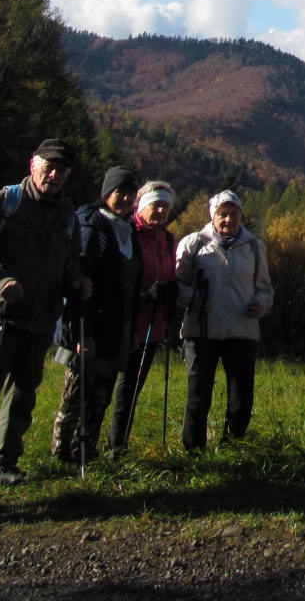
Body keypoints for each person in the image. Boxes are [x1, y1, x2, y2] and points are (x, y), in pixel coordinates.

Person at [0, 138, 89, 495]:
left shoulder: (66, 216)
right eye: (48, 166)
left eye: (60, 170)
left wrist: (77, 281)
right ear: (32, 165)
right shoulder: (4, 202)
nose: (53, 175)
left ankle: (3, 462)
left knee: (23, 394)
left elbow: (69, 262)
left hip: (40, 318)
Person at [50, 167, 139, 465]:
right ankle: (61, 454)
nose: (125, 198)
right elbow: (80, 279)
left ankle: (85, 450)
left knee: (100, 395)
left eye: (130, 193)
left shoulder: (127, 231)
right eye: (119, 192)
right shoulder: (92, 227)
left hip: (115, 326)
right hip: (91, 325)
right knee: (76, 394)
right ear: (106, 194)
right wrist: (79, 331)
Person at [175, 191, 272, 451]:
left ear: (241, 215)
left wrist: (260, 304)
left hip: (242, 331)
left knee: (241, 397)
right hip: (201, 330)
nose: (228, 219)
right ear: (213, 215)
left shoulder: (254, 247)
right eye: (222, 214)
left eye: (234, 214)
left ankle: (232, 447)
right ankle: (193, 450)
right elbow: (178, 286)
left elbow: (265, 289)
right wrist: (194, 299)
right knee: (198, 395)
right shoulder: (193, 243)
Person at [109, 180, 178, 455]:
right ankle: (88, 444)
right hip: (125, 321)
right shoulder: (128, 233)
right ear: (141, 205)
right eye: (155, 205)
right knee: (108, 386)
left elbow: (171, 275)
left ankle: (118, 444)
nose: (160, 210)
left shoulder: (168, 239)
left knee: (132, 388)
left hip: (154, 324)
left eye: (165, 206)